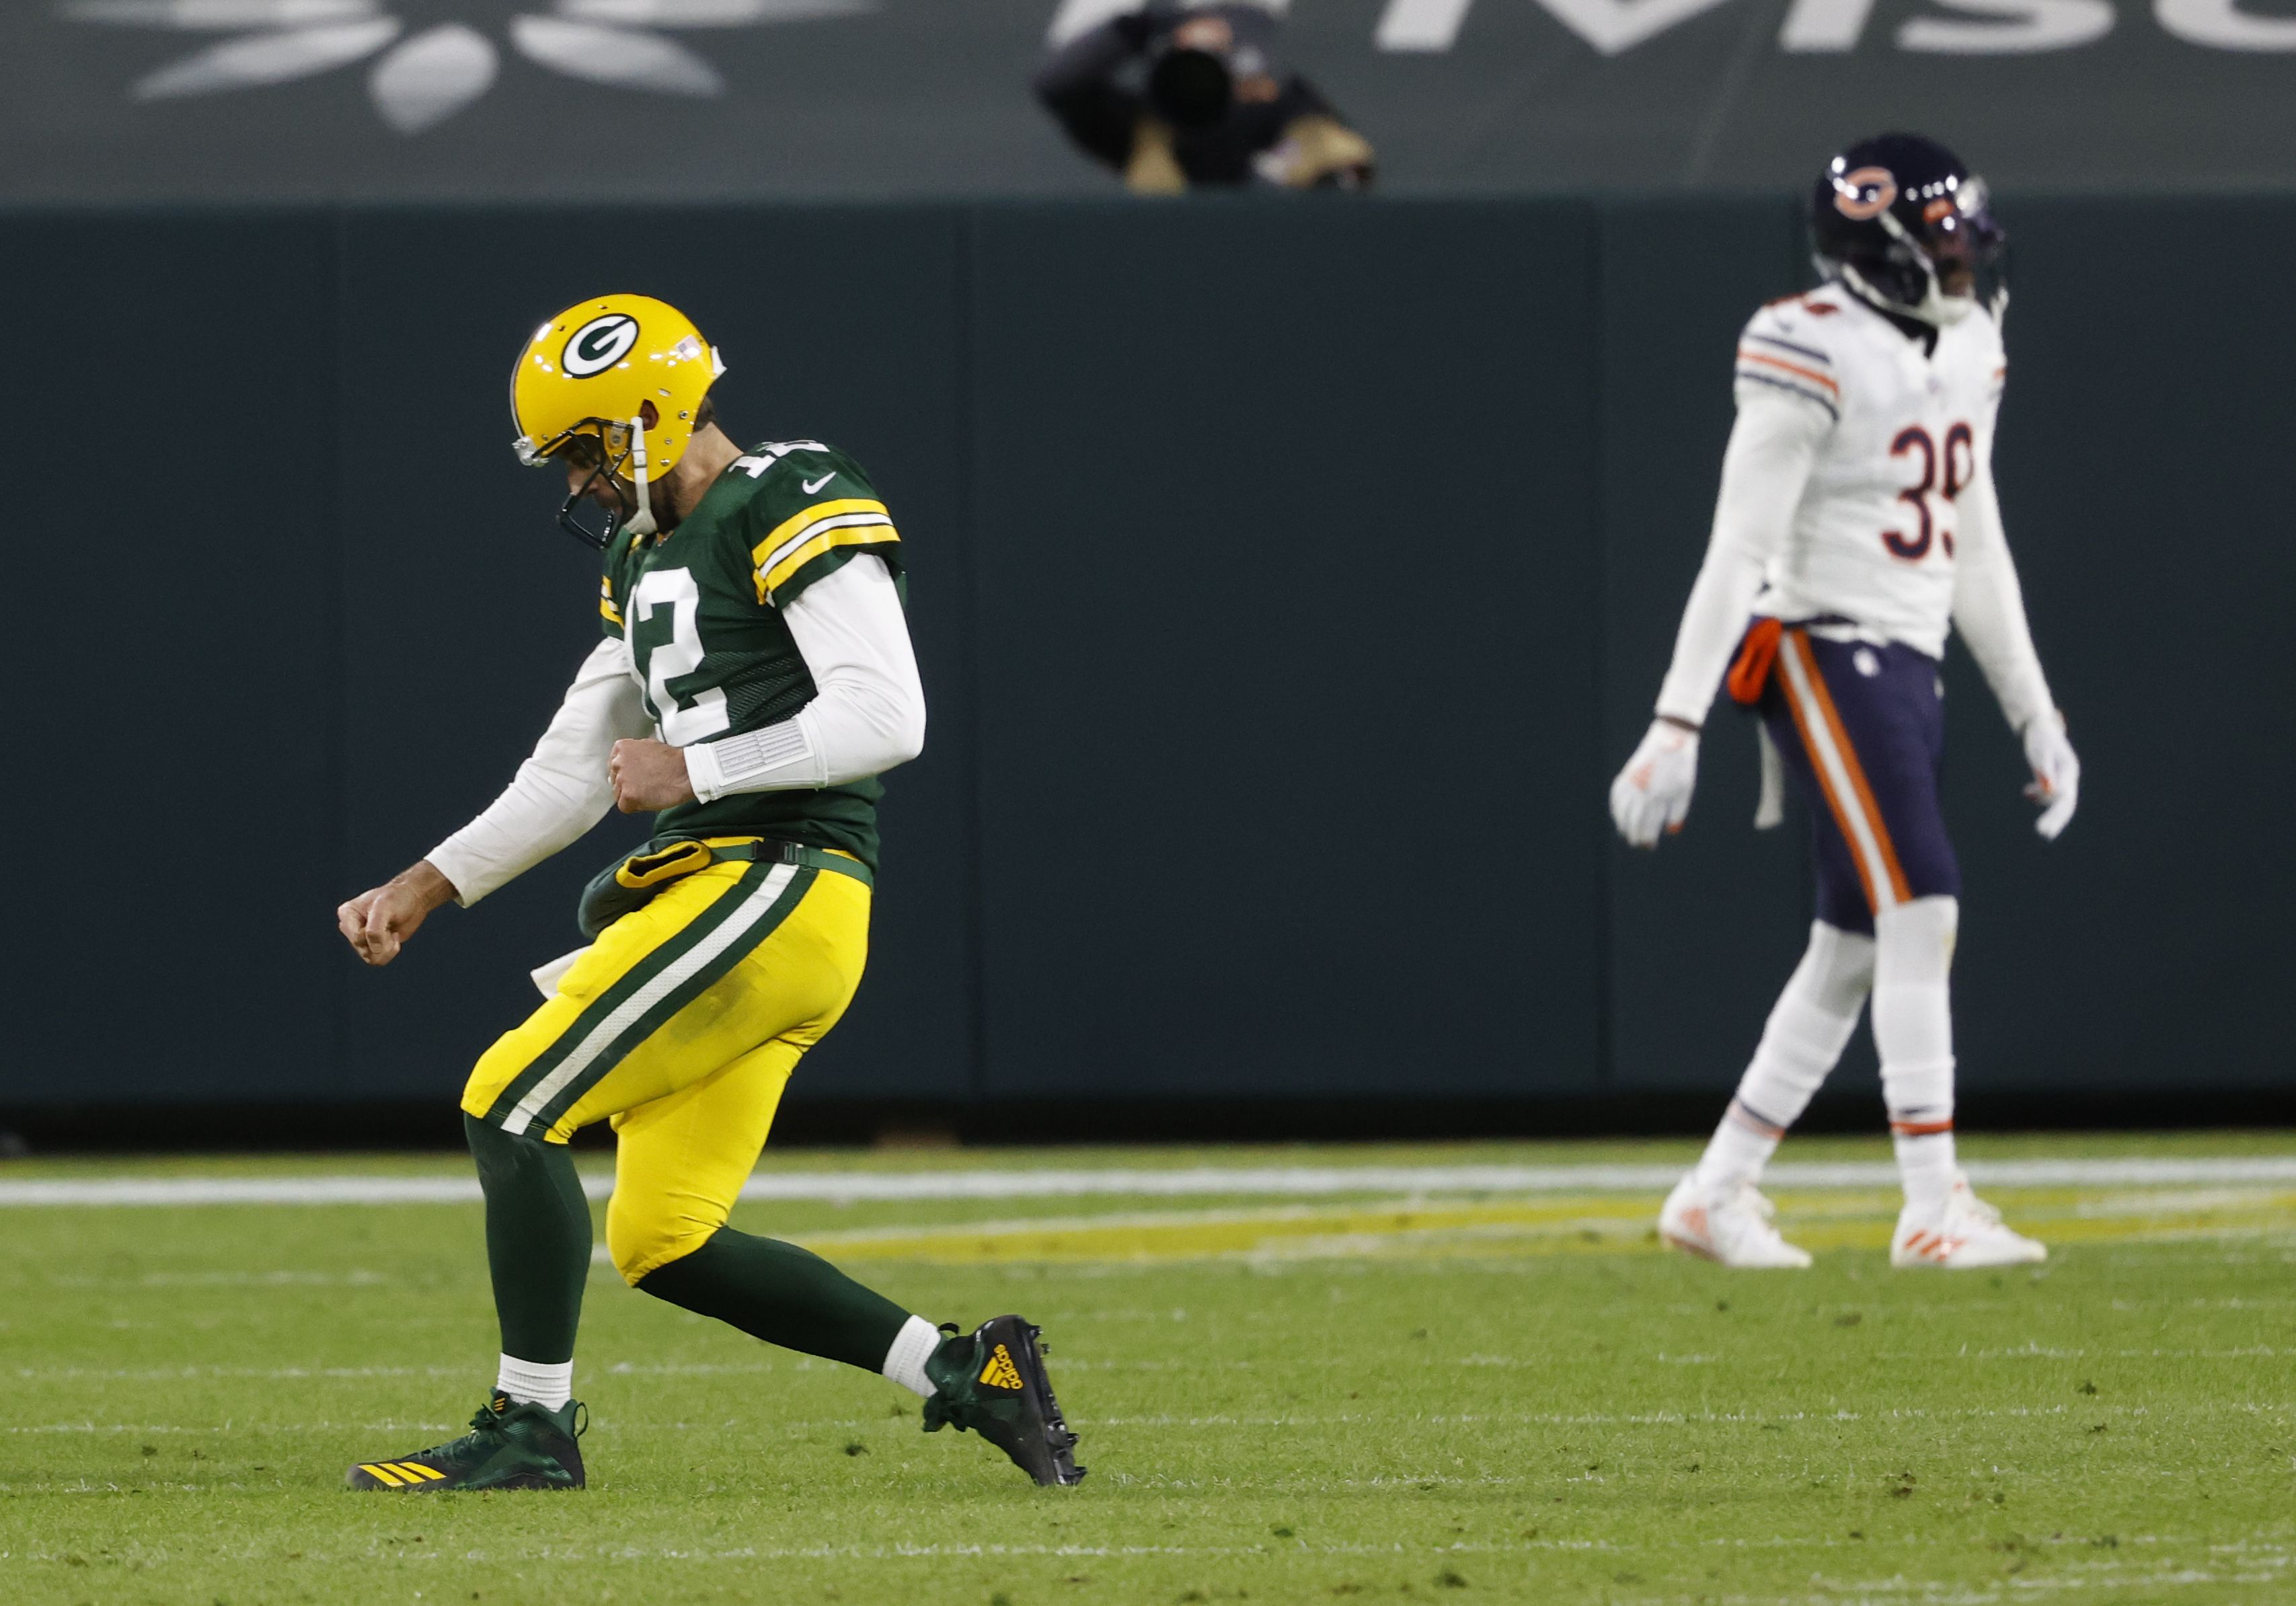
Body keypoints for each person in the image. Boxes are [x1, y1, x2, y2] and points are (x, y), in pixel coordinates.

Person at [333, 295, 1083, 1490]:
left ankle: (530, 1429)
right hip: (743, 906)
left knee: (509, 1098)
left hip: (777, 882)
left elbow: (890, 715)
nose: (578, 482)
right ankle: (963, 1370)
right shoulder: (642, 557)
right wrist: (429, 882)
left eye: (585, 450)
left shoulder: (784, 492)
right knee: (661, 1236)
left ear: (650, 414)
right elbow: (571, 769)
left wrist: (699, 765)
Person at [1609, 135, 2080, 1271]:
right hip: (1820, 641)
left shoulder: (1969, 344)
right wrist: (1674, 720)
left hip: (1904, 654)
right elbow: (1738, 546)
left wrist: (2033, 707)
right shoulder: (1805, 344)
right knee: (1921, 904)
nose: (1962, 252)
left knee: (1851, 945)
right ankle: (1930, 1201)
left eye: (1965, 230)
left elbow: (1974, 541)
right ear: (1876, 248)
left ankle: (1712, 1191)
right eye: (1940, 235)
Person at [1034, 1, 1373, 194]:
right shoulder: (1150, 132)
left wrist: (1269, 176)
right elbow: (1057, 84)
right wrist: (1139, 27)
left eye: (1220, 66)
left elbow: (1351, 177)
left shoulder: (1300, 128)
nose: (1199, 85)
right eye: (1186, 68)